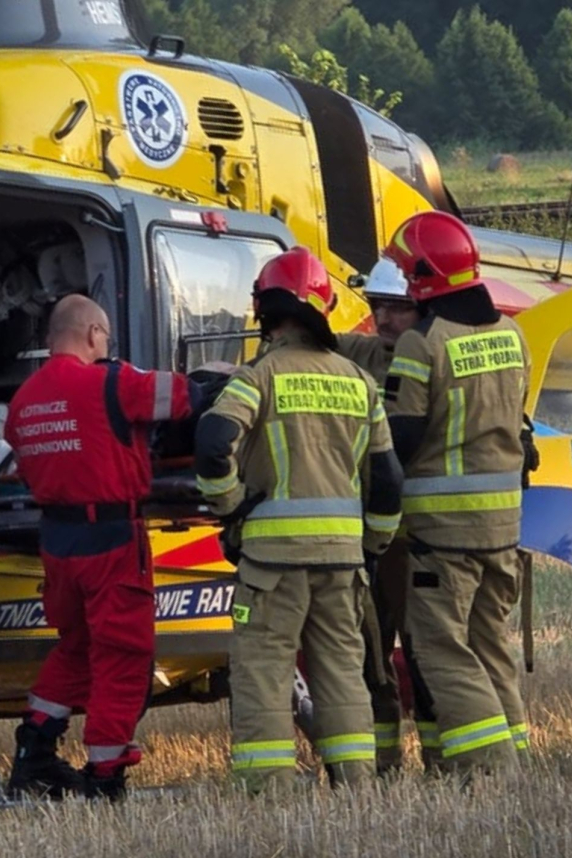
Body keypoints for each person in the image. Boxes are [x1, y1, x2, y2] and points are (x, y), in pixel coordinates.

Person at [194, 247, 404, 790]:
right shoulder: (358, 381)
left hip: (271, 562)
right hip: (343, 562)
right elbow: (387, 481)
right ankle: (357, 781)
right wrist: (374, 546)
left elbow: (214, 441)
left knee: (263, 671)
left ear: (265, 309)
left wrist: (230, 505)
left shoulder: (257, 377)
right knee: (340, 672)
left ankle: (271, 791)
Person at [3, 294, 201, 801]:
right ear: (93, 333)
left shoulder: (23, 402)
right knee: (122, 654)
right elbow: (184, 398)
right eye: (106, 337)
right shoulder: (111, 381)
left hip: (58, 542)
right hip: (112, 538)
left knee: (76, 646)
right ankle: (105, 774)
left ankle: (35, 749)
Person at [382, 210, 532, 774]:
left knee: (442, 647)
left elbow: (404, 436)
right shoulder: (511, 334)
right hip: (504, 526)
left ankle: (490, 767)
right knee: (490, 642)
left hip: (443, 531)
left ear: (423, 278)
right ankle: (516, 752)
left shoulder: (423, 346)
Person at [335, 258, 423, 773]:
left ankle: (443, 762)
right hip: (367, 539)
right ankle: (384, 764)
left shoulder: (434, 356)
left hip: (416, 539)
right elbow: (308, 349)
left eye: (399, 308)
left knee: (426, 654)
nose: (386, 320)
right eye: (378, 307)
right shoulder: (359, 352)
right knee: (368, 658)